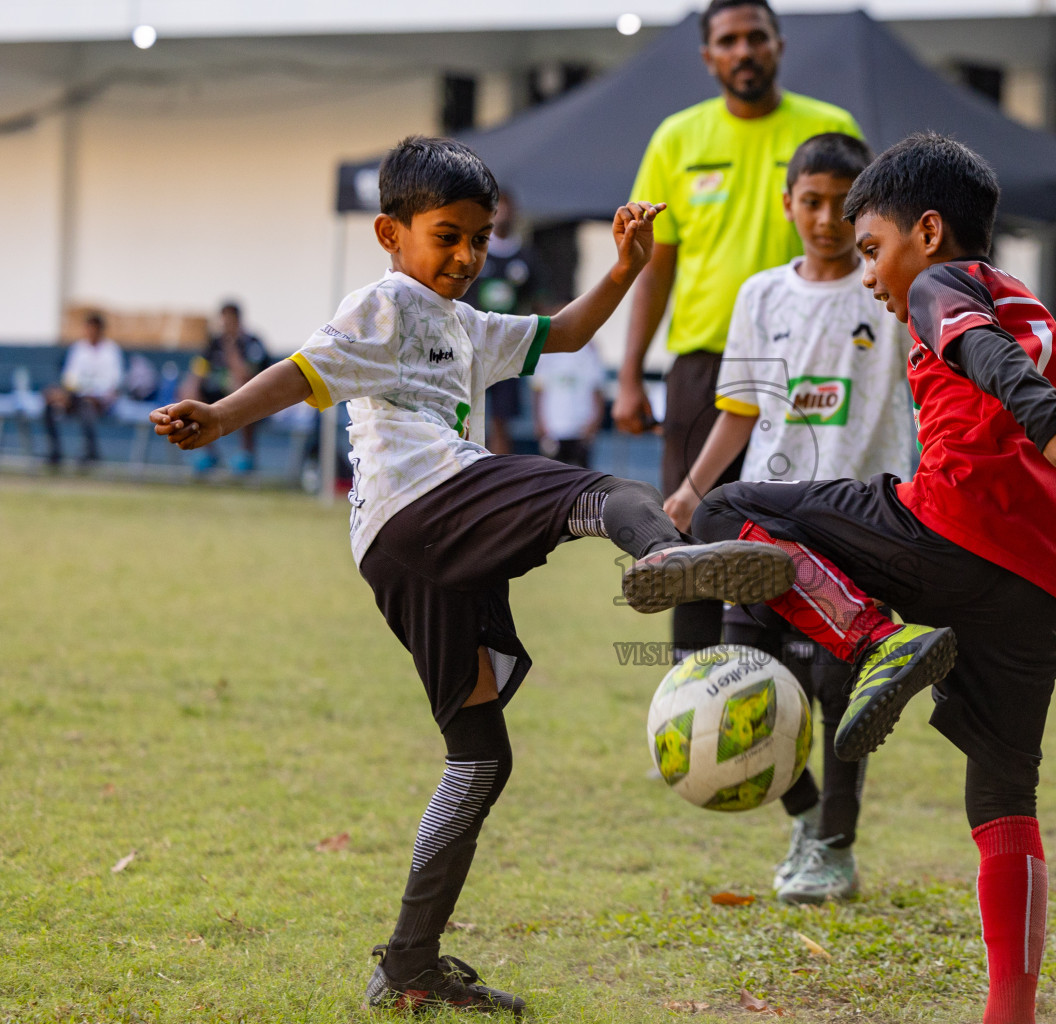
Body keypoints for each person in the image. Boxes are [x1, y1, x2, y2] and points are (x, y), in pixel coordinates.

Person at [149, 135, 794, 1014]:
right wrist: (219, 417)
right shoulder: (386, 303)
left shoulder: (467, 323)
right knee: (607, 490)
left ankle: (408, 962)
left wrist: (626, 270)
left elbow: (564, 333)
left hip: (401, 551)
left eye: (478, 238)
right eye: (445, 234)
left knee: (480, 756)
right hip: (425, 498)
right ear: (391, 233)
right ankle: (665, 559)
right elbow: (301, 374)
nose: (463, 255)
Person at [681, 134, 1056, 1024]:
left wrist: (1051, 421)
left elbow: (981, 350)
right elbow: (999, 343)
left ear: (928, 229)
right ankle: (1011, 1012)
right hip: (1042, 584)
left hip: (950, 531)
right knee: (1004, 796)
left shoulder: (937, 285)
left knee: (731, 511)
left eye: (873, 247)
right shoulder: (1022, 295)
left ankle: (877, 639)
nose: (872, 274)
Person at [663, 133, 912, 904]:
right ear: (788, 204)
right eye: (812, 201)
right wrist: (693, 489)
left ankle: (835, 848)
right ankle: (805, 816)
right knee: (746, 683)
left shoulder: (893, 292)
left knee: (842, 685)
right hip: (769, 523)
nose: (827, 218)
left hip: (865, 519)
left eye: (844, 203)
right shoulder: (761, 295)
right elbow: (740, 412)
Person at [615, 0, 863, 664]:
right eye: (730, 40)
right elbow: (655, 265)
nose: (745, 50)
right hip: (701, 366)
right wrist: (632, 373)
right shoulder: (677, 138)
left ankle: (798, 680)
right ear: (709, 57)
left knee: (798, 527)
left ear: (779, 45)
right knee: (690, 526)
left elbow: (866, 242)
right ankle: (694, 704)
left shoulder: (829, 128)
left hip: (807, 363)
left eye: (757, 37)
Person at [467, 186, 557, 455]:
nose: (504, 213)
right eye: (499, 208)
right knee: (468, 416)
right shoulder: (474, 250)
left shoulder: (526, 257)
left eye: (508, 207)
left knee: (501, 421)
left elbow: (542, 304)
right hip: (472, 347)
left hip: (507, 348)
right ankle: (465, 475)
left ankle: (496, 480)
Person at [183, 302, 269, 474]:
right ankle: (208, 454)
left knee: (242, 393)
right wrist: (189, 391)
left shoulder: (252, 343)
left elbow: (245, 376)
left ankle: (246, 455)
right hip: (215, 396)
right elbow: (199, 370)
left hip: (251, 401)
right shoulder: (214, 343)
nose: (224, 327)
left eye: (228, 322)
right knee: (191, 400)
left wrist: (231, 349)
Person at [43, 311, 123, 467]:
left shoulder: (111, 350)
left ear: (100, 330)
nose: (90, 333)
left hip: (99, 400)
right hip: (76, 396)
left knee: (87, 406)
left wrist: (91, 391)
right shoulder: (78, 348)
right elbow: (70, 377)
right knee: (50, 405)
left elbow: (113, 381)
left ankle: (91, 453)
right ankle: (55, 453)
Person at [532, 343, 607, 468]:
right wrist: (540, 423)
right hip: (553, 430)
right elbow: (539, 388)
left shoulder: (590, 349)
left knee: (583, 481)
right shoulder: (548, 349)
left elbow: (597, 389)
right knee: (553, 479)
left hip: (581, 430)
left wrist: (593, 425)